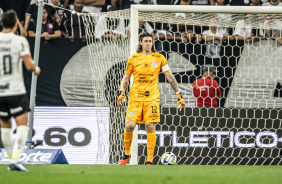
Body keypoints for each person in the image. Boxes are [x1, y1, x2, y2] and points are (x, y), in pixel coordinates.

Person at [117, 32, 185, 165]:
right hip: (135, 98)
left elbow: (170, 77)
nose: (148, 43)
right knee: (129, 126)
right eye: (146, 41)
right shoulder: (133, 59)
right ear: (140, 43)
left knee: (149, 127)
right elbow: (126, 78)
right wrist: (122, 92)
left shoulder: (159, 58)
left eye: (150, 41)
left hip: (152, 98)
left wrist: (179, 95)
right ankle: (126, 155)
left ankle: (149, 160)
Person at [0, 10, 41, 171]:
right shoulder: (20, 41)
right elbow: (30, 66)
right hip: (15, 90)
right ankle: (15, 159)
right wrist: (36, 70)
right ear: (17, 23)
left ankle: (11, 159)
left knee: (4, 125)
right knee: (23, 124)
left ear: (2, 22)